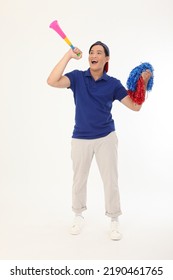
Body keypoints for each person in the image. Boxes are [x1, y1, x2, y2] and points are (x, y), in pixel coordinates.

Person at [47, 41, 152, 240]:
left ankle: (114, 219)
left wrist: (143, 83)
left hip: (106, 137)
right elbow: (52, 81)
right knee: (79, 180)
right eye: (91, 52)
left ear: (106, 59)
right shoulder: (77, 77)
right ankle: (78, 216)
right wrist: (68, 56)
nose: (93, 55)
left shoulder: (112, 83)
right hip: (80, 138)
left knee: (111, 181)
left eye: (98, 52)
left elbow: (135, 106)